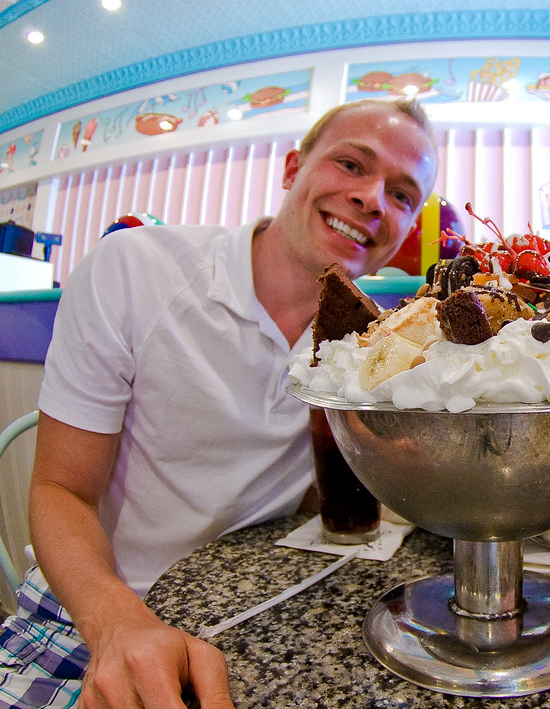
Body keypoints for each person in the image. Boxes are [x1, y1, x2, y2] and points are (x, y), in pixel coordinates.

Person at [0, 97, 438, 708]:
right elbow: (60, 490)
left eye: (402, 194)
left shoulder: (377, 345)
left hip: (252, 606)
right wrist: (118, 625)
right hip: (90, 608)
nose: (372, 199)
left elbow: (308, 494)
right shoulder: (133, 269)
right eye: (350, 164)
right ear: (293, 169)